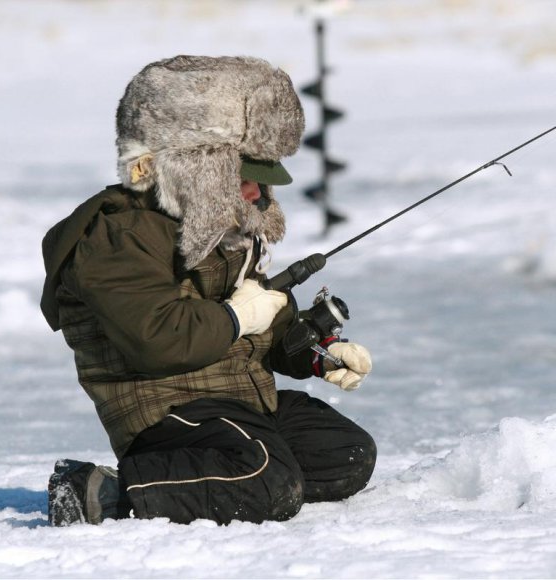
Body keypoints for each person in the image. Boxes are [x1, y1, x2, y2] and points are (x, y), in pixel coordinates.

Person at [40, 55, 376, 526]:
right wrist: (238, 318)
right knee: (269, 479)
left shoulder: (227, 230)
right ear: (195, 173)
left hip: (238, 399)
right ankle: (101, 491)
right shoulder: (119, 237)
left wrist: (316, 353)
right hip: (165, 409)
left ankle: (226, 477)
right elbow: (157, 340)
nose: (258, 194)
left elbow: (270, 327)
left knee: (345, 454)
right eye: (245, 180)